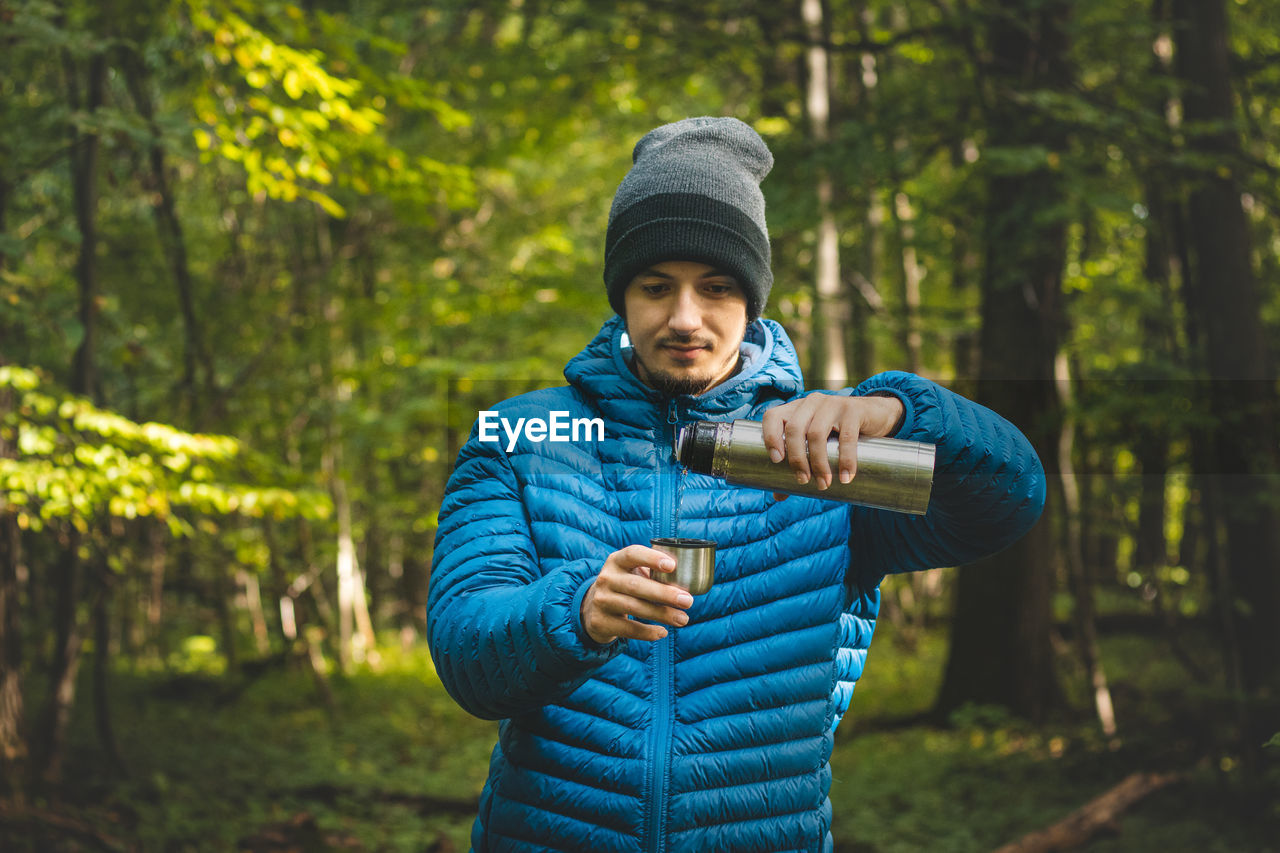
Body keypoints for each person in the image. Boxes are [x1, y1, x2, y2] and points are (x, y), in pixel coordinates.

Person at [427, 116, 1046, 853]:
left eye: (716, 287)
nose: (685, 317)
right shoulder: (525, 436)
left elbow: (1012, 497)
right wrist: (579, 611)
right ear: (621, 295)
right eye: (657, 286)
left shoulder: (821, 449)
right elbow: (468, 650)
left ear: (751, 298)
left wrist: (904, 408)